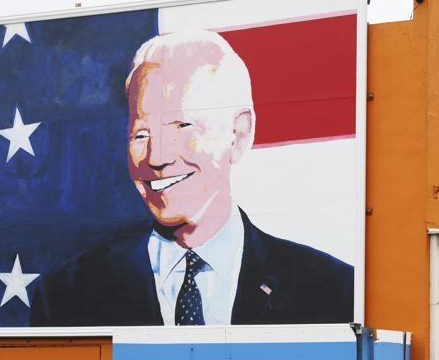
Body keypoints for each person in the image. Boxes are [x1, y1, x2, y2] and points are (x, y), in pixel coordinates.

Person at [30, 30, 353, 327]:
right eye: (141, 134)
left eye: (181, 127)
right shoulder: (65, 296)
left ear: (238, 134)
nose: (157, 157)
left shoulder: (331, 290)